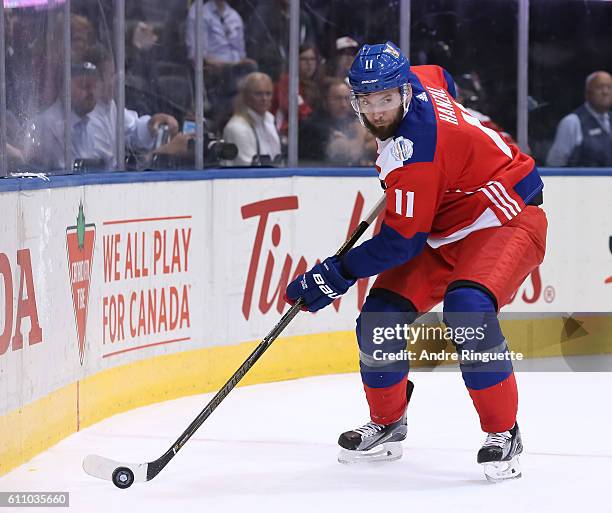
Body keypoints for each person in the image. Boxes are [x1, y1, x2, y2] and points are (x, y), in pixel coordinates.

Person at [284, 42, 547, 482]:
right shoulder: (419, 78)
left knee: (468, 311)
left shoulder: (416, 158)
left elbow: (400, 245)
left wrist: (336, 273)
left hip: (505, 218)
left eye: (386, 99)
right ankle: (388, 423)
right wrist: (454, 159)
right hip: (444, 225)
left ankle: (504, 432)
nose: (378, 111)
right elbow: (444, 76)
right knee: (378, 319)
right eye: (368, 101)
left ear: (404, 92)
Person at [88, 47, 179, 168]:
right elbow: (107, 166)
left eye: (115, 75)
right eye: (110, 75)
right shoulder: (87, 116)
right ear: (94, 80)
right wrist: (162, 152)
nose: (116, 81)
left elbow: (133, 130)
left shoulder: (108, 107)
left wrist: (152, 124)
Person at [299, 78, 376, 166]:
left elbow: (376, 145)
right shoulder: (314, 126)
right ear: (325, 101)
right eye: (337, 99)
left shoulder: (354, 119)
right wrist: (361, 135)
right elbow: (351, 153)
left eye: (346, 99)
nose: (343, 104)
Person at [546, 71, 612, 167]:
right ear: (588, 93)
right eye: (599, 87)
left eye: (609, 88)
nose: (605, 92)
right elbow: (555, 164)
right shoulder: (572, 122)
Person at [222, 72, 281, 166]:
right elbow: (247, 168)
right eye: (258, 94)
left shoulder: (270, 120)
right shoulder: (237, 128)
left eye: (268, 93)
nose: (264, 98)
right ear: (246, 96)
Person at [273, 43, 326, 140]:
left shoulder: (317, 85)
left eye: (312, 59)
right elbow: (301, 113)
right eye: (304, 59)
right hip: (286, 136)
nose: (309, 63)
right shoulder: (287, 82)